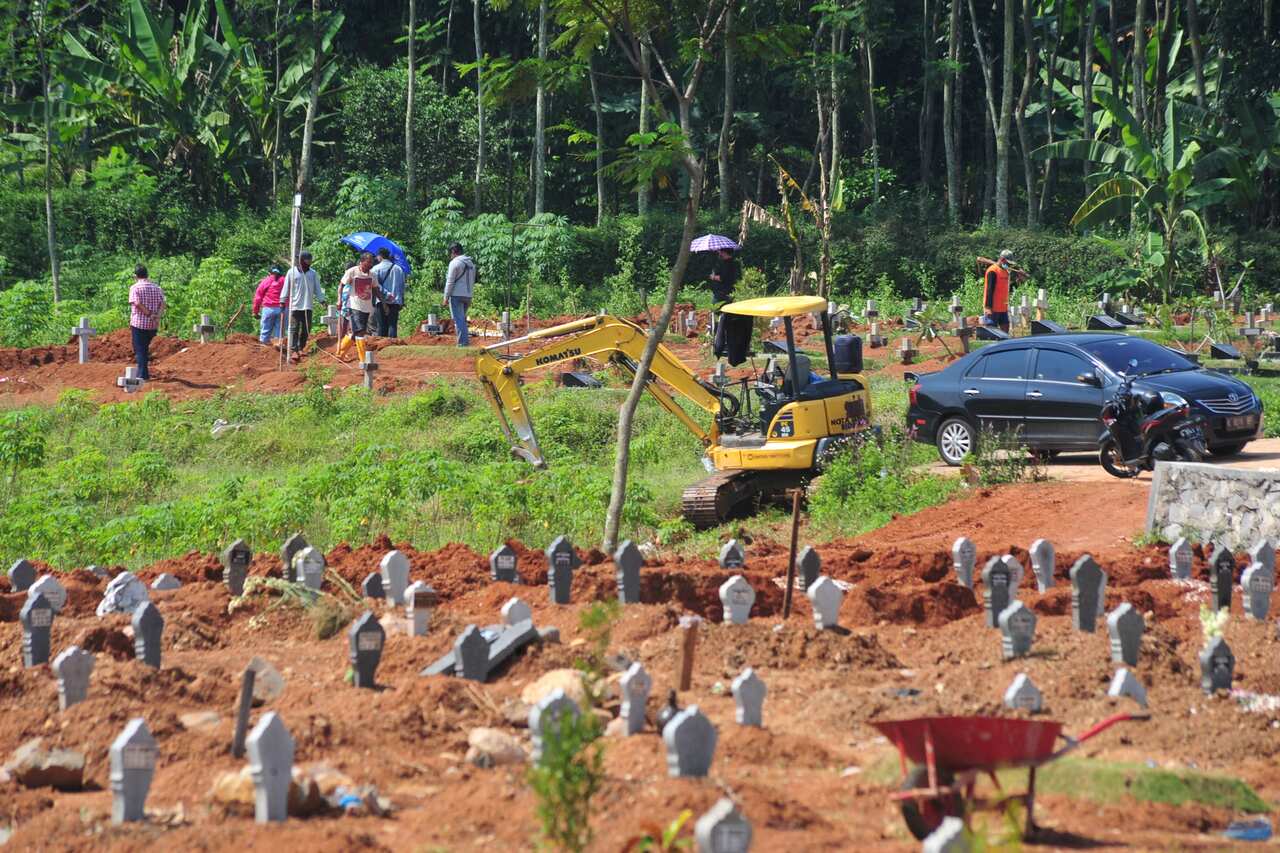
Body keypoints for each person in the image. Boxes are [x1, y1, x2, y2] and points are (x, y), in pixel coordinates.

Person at [280, 250, 325, 362]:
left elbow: (317, 288)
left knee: (306, 329)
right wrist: (282, 300)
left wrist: (322, 300)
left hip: (307, 306)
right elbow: (286, 287)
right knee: (294, 329)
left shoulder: (313, 273)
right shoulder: (292, 272)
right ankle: (294, 350)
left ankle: (301, 347)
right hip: (295, 306)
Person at [338, 251, 379, 360]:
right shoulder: (352, 271)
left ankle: (340, 353)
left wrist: (383, 303)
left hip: (366, 306)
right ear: (361, 262)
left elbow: (376, 289)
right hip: (354, 306)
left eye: (371, 263)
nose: (370, 265)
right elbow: (341, 285)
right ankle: (363, 360)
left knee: (356, 332)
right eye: (367, 263)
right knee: (360, 332)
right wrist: (339, 300)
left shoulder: (373, 275)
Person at [128, 264, 166, 380]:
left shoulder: (135, 288)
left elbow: (137, 303)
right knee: (145, 349)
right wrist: (157, 316)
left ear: (135, 276)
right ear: (147, 275)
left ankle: (142, 376)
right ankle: (144, 372)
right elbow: (163, 304)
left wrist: (149, 314)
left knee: (140, 349)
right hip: (153, 325)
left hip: (139, 323)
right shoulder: (157, 288)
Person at [709, 248, 742, 359]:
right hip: (728, 293)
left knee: (718, 317)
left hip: (721, 295)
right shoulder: (733, 263)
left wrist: (713, 277)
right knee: (725, 318)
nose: (718, 253)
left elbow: (722, 278)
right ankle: (722, 343)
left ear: (724, 252)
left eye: (720, 251)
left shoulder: (727, 265)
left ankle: (718, 343)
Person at [443, 242, 476, 347]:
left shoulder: (454, 263)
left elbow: (450, 281)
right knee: (462, 319)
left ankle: (463, 344)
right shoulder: (471, 264)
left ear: (453, 252)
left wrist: (445, 297)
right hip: (468, 295)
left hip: (456, 295)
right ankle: (463, 342)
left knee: (458, 320)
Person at [372, 247, 406, 338]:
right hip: (395, 301)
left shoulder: (375, 269)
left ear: (380, 256)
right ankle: (392, 347)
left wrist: (386, 294)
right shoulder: (399, 269)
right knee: (392, 325)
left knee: (382, 325)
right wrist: (402, 300)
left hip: (381, 300)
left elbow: (375, 285)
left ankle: (382, 347)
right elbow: (402, 286)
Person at [982, 249, 1015, 333]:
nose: (1008, 265)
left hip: (1003, 308)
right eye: (1007, 263)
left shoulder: (1006, 272)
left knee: (1005, 331)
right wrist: (988, 307)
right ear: (1002, 260)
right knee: (992, 333)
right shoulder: (992, 271)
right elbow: (989, 290)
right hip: (993, 309)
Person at [252, 266, 286, 344]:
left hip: (268, 309)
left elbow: (258, 297)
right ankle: (277, 347)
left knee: (265, 331)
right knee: (279, 333)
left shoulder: (266, 281)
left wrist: (255, 312)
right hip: (281, 309)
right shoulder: (284, 281)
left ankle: (263, 348)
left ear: (270, 272)